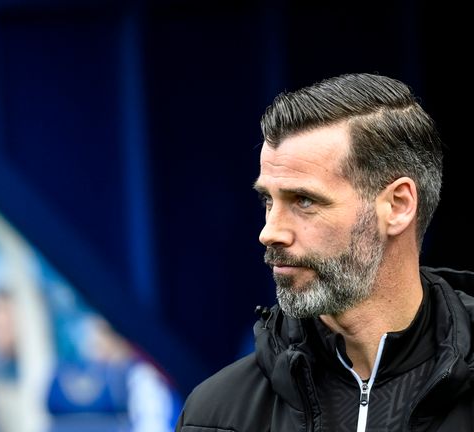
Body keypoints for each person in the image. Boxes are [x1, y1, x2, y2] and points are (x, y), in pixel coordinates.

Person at [176, 73, 474, 431]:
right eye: (268, 200)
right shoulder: (216, 414)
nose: (269, 232)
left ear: (397, 206)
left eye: (303, 200)